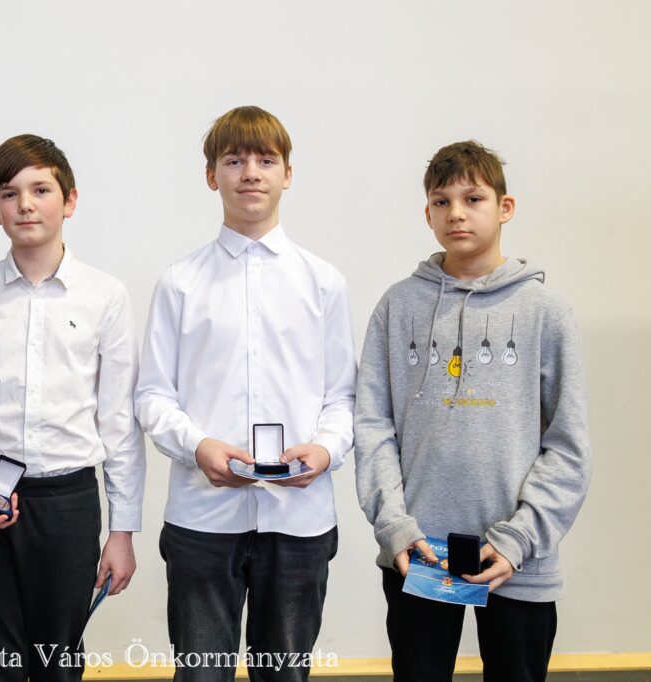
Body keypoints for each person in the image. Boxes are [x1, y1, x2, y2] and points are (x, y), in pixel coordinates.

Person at [354, 140, 592, 681]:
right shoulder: (397, 305)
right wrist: (394, 525)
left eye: (473, 198)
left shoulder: (546, 312)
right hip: (419, 552)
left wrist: (520, 537)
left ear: (505, 207)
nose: (456, 213)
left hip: (518, 556)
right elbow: (372, 426)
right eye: (441, 201)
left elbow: (569, 445)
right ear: (428, 214)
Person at [135, 106, 357, 682]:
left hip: (299, 517)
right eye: (234, 160)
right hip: (203, 517)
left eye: (266, 160)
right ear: (212, 175)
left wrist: (325, 450)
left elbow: (342, 397)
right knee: (201, 675)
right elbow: (153, 395)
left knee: (285, 675)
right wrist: (198, 446)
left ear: (288, 174)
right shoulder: (180, 282)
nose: (251, 173)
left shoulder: (323, 282)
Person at [0, 134, 146, 682]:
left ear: (69, 201)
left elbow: (118, 421)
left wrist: (122, 532)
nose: (25, 204)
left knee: (58, 665)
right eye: (10, 193)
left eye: (41, 190)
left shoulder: (105, 296)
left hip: (67, 504)